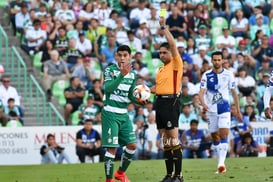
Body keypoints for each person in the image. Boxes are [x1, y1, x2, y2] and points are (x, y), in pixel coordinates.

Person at [101, 45, 146, 182]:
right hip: (110, 113)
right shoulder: (109, 70)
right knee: (112, 149)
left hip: (124, 114)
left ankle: (120, 173)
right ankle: (109, 180)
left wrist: (139, 99)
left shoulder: (133, 74)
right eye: (119, 55)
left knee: (132, 145)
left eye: (125, 55)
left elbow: (130, 95)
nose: (122, 58)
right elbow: (108, 88)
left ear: (130, 57)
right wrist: (121, 75)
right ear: (115, 56)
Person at [150, 16, 184, 182]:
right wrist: (144, 91)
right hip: (160, 103)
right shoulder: (161, 70)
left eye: (165, 52)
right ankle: (169, 175)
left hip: (171, 102)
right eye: (160, 52)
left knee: (173, 139)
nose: (162, 54)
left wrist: (163, 27)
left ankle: (179, 175)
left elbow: (172, 44)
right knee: (165, 142)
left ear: (171, 53)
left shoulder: (176, 63)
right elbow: (158, 88)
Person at [199, 51, 242, 174]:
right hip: (211, 110)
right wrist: (204, 104)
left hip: (224, 108)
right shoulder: (206, 75)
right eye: (215, 60)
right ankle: (220, 161)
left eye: (219, 60)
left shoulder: (229, 75)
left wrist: (238, 110)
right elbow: (201, 93)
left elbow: (234, 93)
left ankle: (221, 164)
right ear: (212, 61)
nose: (217, 62)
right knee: (215, 137)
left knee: (224, 135)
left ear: (222, 61)